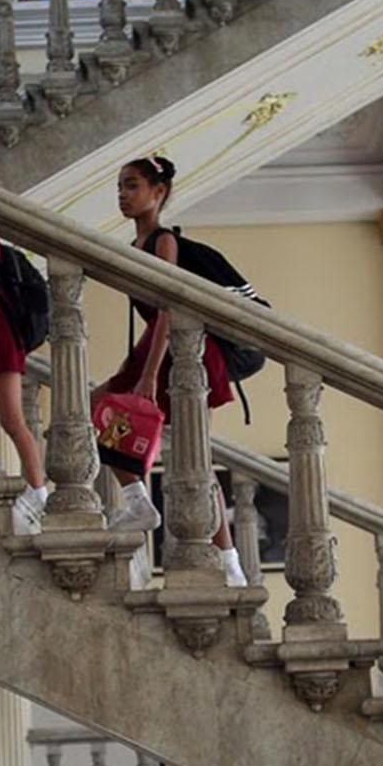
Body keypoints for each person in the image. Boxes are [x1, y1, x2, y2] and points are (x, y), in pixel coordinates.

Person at [96, 155, 248, 586]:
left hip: (188, 354)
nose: (123, 195)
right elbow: (151, 321)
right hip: (159, 350)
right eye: (120, 187)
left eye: (132, 186)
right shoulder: (135, 249)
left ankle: (230, 561)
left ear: (158, 193)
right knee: (100, 410)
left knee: (195, 457)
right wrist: (129, 369)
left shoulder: (164, 242)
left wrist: (147, 375)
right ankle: (137, 500)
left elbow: (168, 311)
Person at [0, 218, 50, 533]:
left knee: (13, 420)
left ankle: (39, 493)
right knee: (11, 420)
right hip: (0, 333)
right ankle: (36, 488)